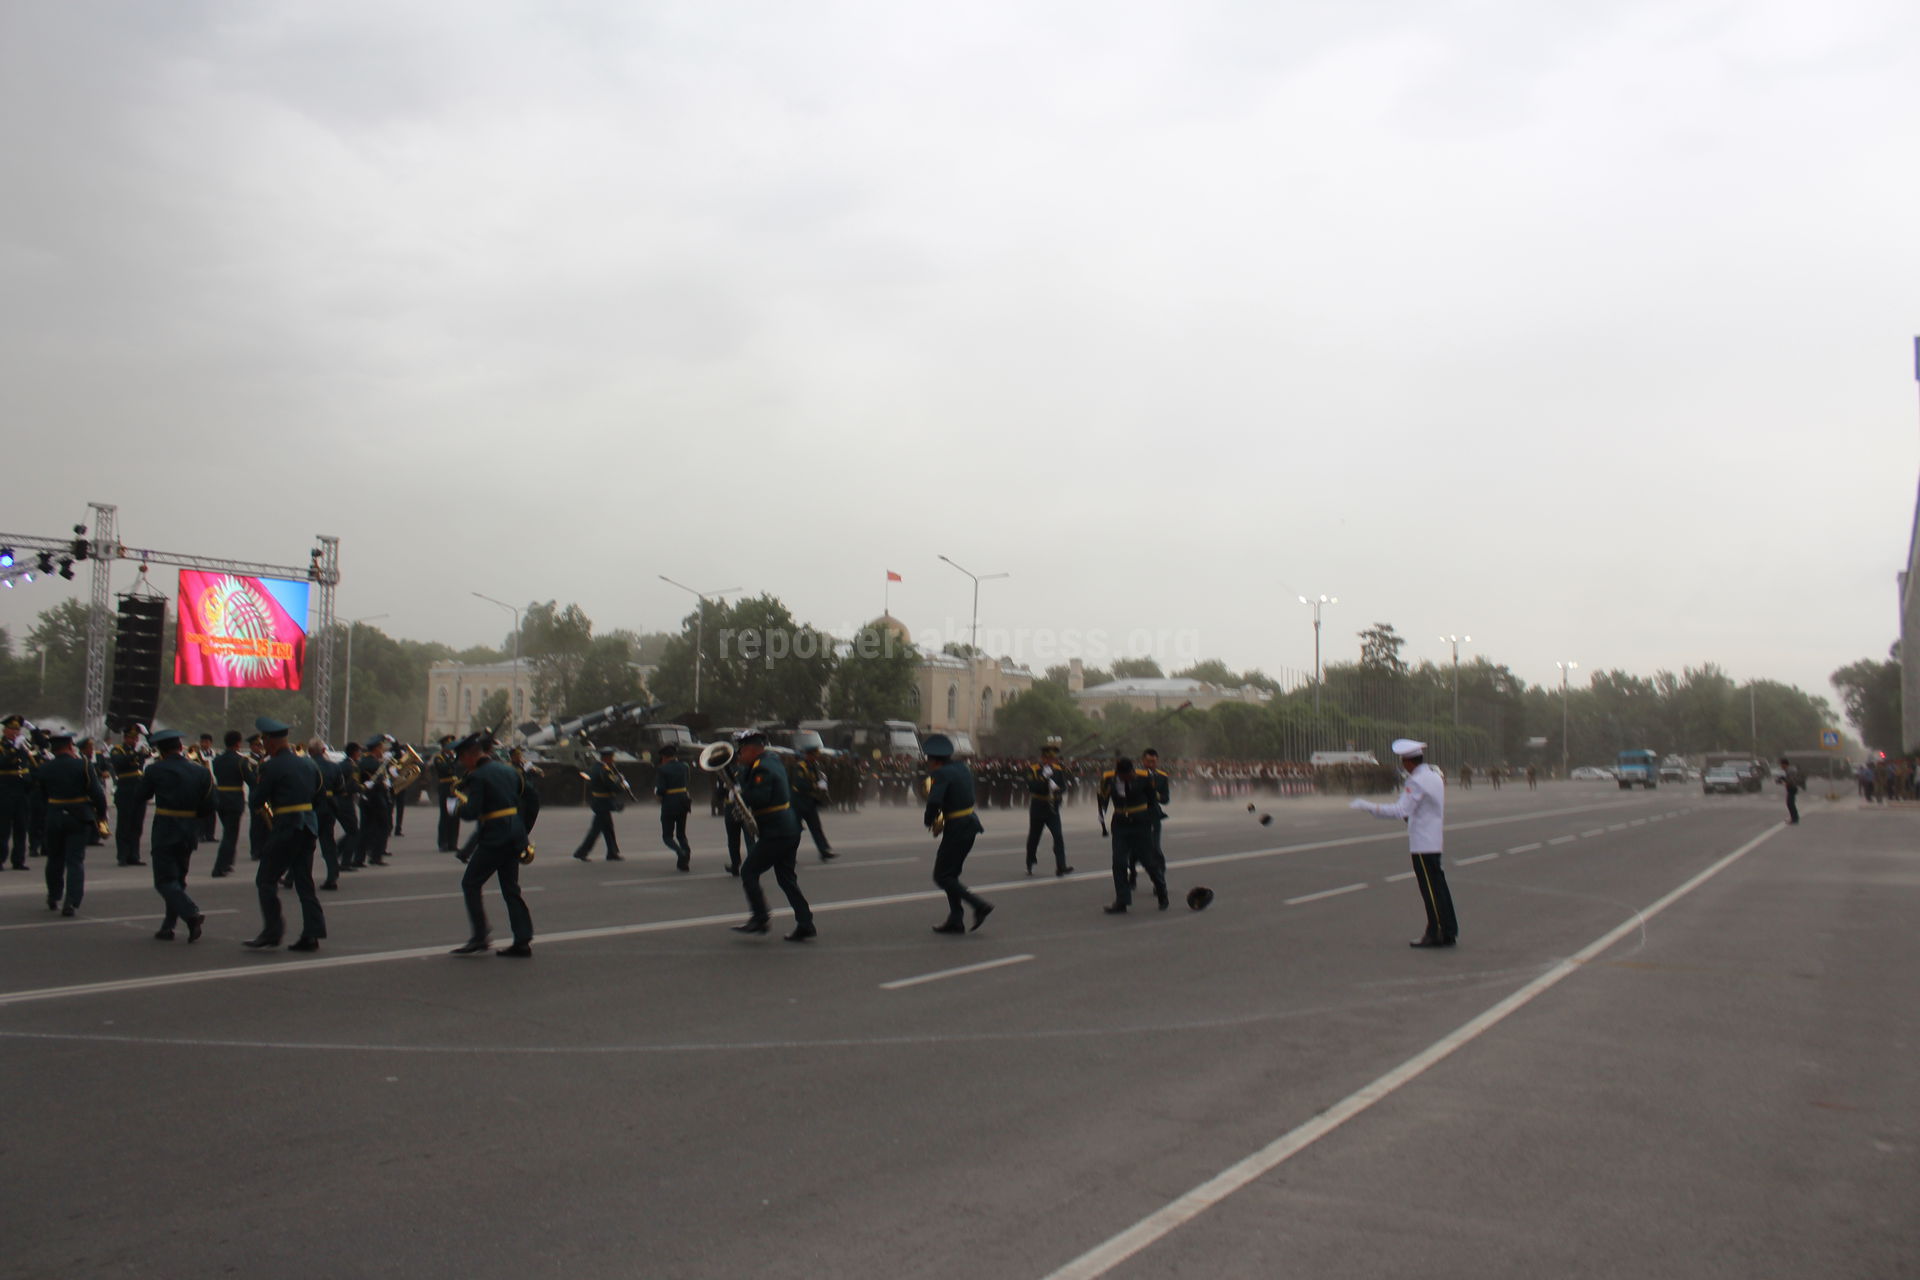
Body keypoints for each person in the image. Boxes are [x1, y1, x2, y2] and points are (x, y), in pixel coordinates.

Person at [1350, 738, 1457, 948]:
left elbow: (1401, 811)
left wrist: (1368, 806)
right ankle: (1449, 930)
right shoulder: (1434, 776)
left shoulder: (1415, 781)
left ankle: (1435, 931)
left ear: (1408, 763)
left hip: (1422, 843)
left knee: (1430, 890)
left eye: (1403, 763)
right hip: (1433, 839)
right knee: (1439, 888)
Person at [244, 717, 327, 952]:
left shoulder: (270, 766)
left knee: (266, 879)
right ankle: (312, 933)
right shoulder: (310, 764)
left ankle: (272, 930)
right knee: (304, 882)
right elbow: (320, 796)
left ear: (270, 741)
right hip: (308, 827)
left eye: (265, 740)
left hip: (286, 827)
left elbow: (257, 800)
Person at [448, 733, 535, 958]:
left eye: (461, 758)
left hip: (495, 835)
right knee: (511, 888)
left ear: (469, 756)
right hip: (514, 834)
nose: (460, 763)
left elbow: (472, 811)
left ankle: (480, 936)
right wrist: (523, 830)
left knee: (470, 883)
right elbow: (530, 799)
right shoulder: (509, 770)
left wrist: (455, 808)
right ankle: (522, 939)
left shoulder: (478, 776)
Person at [728, 730, 815, 941]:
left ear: (751, 749)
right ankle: (805, 923)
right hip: (787, 829)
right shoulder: (769, 761)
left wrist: (740, 794)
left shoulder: (763, 768)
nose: (739, 755)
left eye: (741, 751)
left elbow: (761, 797)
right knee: (786, 879)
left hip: (777, 832)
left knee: (748, 871)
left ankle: (760, 917)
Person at [136, 729, 211, 941]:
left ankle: (190, 913)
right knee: (178, 878)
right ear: (180, 747)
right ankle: (168, 926)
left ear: (161, 751)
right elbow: (209, 805)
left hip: (166, 827)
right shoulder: (200, 771)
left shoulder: (155, 770)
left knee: (164, 880)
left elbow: (141, 795)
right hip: (189, 828)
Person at [923, 734, 993, 934]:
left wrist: (930, 820)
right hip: (969, 824)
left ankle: (979, 905)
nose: (928, 764)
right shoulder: (962, 768)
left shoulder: (941, 774)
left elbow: (935, 802)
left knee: (942, 876)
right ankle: (956, 919)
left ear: (935, 760)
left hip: (957, 827)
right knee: (950, 874)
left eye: (929, 760)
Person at [33, 731, 107, 916]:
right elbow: (97, 793)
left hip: (54, 815)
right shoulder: (82, 764)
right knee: (75, 860)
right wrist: (101, 816)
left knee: (54, 859)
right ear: (69, 746)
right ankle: (71, 901)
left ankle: (53, 896)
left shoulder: (45, 767)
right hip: (78, 815)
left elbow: (39, 797)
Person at [1097, 757, 1168, 913]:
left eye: (1129, 775)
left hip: (1140, 824)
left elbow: (1152, 801)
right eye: (1124, 776)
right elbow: (1102, 797)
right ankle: (1122, 901)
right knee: (1119, 863)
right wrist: (1101, 816)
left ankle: (1161, 890)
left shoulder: (1143, 778)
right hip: (1120, 824)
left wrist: (1151, 820)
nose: (1128, 778)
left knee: (1148, 862)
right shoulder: (1109, 778)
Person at [1024, 738, 1073, 877]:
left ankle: (1061, 866)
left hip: (1053, 808)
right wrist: (1044, 779)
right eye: (1048, 758)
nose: (1051, 761)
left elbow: (1063, 788)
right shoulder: (1033, 770)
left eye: (1053, 758)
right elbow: (1032, 787)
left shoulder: (1058, 770)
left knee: (1058, 837)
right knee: (1034, 837)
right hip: (1038, 807)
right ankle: (1030, 862)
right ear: (1042, 758)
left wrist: (1056, 788)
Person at [108, 722, 151, 866]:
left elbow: (153, 749)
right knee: (124, 825)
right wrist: (135, 753)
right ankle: (122, 855)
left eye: (136, 738)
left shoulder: (140, 749)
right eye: (131, 738)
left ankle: (134, 855)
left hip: (139, 790)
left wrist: (147, 734)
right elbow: (120, 763)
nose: (134, 741)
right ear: (125, 738)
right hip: (125, 790)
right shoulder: (117, 750)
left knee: (137, 825)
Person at [209, 730, 249, 877]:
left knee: (229, 831)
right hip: (234, 799)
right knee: (230, 834)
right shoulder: (241, 761)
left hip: (220, 798)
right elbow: (249, 779)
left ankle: (227, 863)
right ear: (238, 743)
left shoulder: (217, 760)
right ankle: (219, 867)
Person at [574, 747, 624, 861]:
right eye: (612, 757)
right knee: (596, 830)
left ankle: (612, 852)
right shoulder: (605, 770)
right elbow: (612, 786)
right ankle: (581, 852)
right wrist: (620, 783)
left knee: (608, 828)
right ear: (607, 758)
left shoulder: (595, 767)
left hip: (598, 800)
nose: (613, 760)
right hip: (603, 803)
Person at [791, 744, 836, 861]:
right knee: (795, 831)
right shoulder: (800, 767)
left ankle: (824, 850)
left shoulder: (814, 766)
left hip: (810, 802)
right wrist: (816, 786)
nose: (816, 757)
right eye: (814, 755)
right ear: (808, 755)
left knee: (816, 828)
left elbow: (818, 779)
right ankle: (790, 854)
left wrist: (822, 784)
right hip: (799, 802)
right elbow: (800, 784)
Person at [653, 743, 693, 871]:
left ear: (664, 757)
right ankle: (685, 858)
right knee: (682, 834)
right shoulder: (684, 766)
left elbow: (661, 790)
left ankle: (680, 852)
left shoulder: (662, 769)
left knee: (667, 836)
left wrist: (657, 793)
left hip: (670, 803)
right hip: (683, 801)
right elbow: (687, 783)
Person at [0, 715, 33, 871]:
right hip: (5, 791)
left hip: (21, 791)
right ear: (5, 730)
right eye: (12, 729)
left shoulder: (22, 745)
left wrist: (32, 728)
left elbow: (43, 744)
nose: (15, 732)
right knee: (3, 828)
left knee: (21, 827)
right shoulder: (2, 746)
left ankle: (18, 860)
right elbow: (3, 762)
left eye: (17, 729)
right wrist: (13, 749)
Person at [309, 737, 341, 890]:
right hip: (328, 806)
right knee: (328, 843)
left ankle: (294, 877)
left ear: (309, 751)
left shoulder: (307, 765)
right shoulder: (334, 767)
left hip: (311, 806)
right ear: (323, 750)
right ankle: (332, 876)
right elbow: (340, 788)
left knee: (305, 844)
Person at [357, 737, 394, 865]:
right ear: (376, 748)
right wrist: (385, 783)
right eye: (381, 747)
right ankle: (376, 856)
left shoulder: (364, 761)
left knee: (365, 829)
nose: (383, 750)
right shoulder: (374, 763)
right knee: (383, 827)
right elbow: (378, 781)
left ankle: (359, 858)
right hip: (376, 799)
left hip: (366, 798)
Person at [1138, 747, 1172, 886]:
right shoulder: (1135, 775)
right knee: (1134, 851)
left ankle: (1160, 878)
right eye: (1148, 761)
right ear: (1143, 760)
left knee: (1155, 848)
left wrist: (1156, 795)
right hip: (1137, 815)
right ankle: (1132, 876)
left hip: (1153, 815)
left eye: (1153, 761)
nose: (1150, 764)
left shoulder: (1162, 777)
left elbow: (1166, 799)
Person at [335, 742, 365, 869]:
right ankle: (345, 861)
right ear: (354, 753)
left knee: (350, 831)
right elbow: (352, 785)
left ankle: (336, 851)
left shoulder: (341, 765)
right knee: (353, 832)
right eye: (359, 751)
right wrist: (362, 787)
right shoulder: (351, 766)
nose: (360, 754)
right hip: (345, 801)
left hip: (338, 800)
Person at [432, 734, 460, 851]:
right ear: (444, 746)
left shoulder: (453, 757)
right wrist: (454, 760)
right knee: (445, 816)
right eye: (449, 746)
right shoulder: (439, 758)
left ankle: (452, 843)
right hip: (445, 788)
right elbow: (447, 770)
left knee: (454, 815)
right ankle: (443, 843)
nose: (451, 748)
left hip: (454, 788)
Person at [1779, 757, 1802, 825]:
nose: (1781, 766)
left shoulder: (1790, 770)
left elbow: (1791, 780)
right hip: (1791, 788)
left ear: (1784, 764)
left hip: (1792, 788)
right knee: (1790, 804)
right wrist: (1783, 779)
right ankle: (1794, 818)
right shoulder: (1789, 770)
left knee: (1790, 804)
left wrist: (1783, 781)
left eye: (1781, 765)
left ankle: (1795, 819)